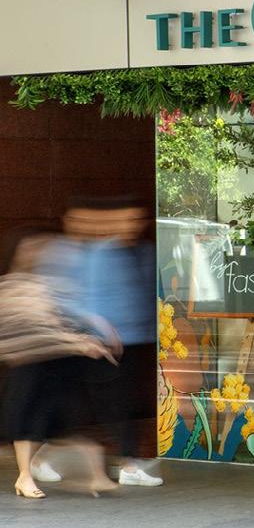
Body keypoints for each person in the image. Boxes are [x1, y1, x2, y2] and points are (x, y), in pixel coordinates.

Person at [0, 227, 119, 499]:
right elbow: (37, 331)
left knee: (50, 425)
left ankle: (92, 476)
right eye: (31, 250)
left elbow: (57, 325)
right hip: (26, 369)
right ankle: (25, 477)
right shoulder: (12, 288)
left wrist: (83, 339)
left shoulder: (43, 288)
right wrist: (78, 343)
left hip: (49, 367)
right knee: (27, 425)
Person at [55, 198, 162, 487]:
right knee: (114, 404)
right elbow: (84, 297)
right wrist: (99, 330)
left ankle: (126, 461)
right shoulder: (100, 254)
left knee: (119, 402)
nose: (133, 225)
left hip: (136, 339)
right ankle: (128, 463)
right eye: (128, 218)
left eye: (137, 219)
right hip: (105, 342)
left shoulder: (145, 251)